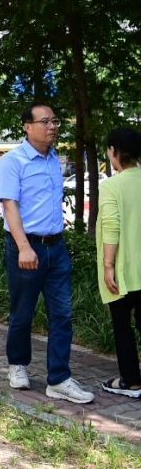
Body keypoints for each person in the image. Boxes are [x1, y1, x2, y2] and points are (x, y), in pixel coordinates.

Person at [0, 103, 94, 404]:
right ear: (27, 125)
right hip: (26, 246)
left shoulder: (54, 159)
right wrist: (24, 246)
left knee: (62, 314)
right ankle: (18, 365)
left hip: (57, 247)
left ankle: (59, 379)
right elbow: (9, 205)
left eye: (55, 121)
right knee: (23, 312)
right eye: (45, 122)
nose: (52, 127)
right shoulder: (13, 162)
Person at [96, 127, 141, 397]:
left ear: (113, 152)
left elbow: (111, 227)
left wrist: (108, 265)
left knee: (122, 326)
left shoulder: (112, 186)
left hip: (124, 272)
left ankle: (131, 381)